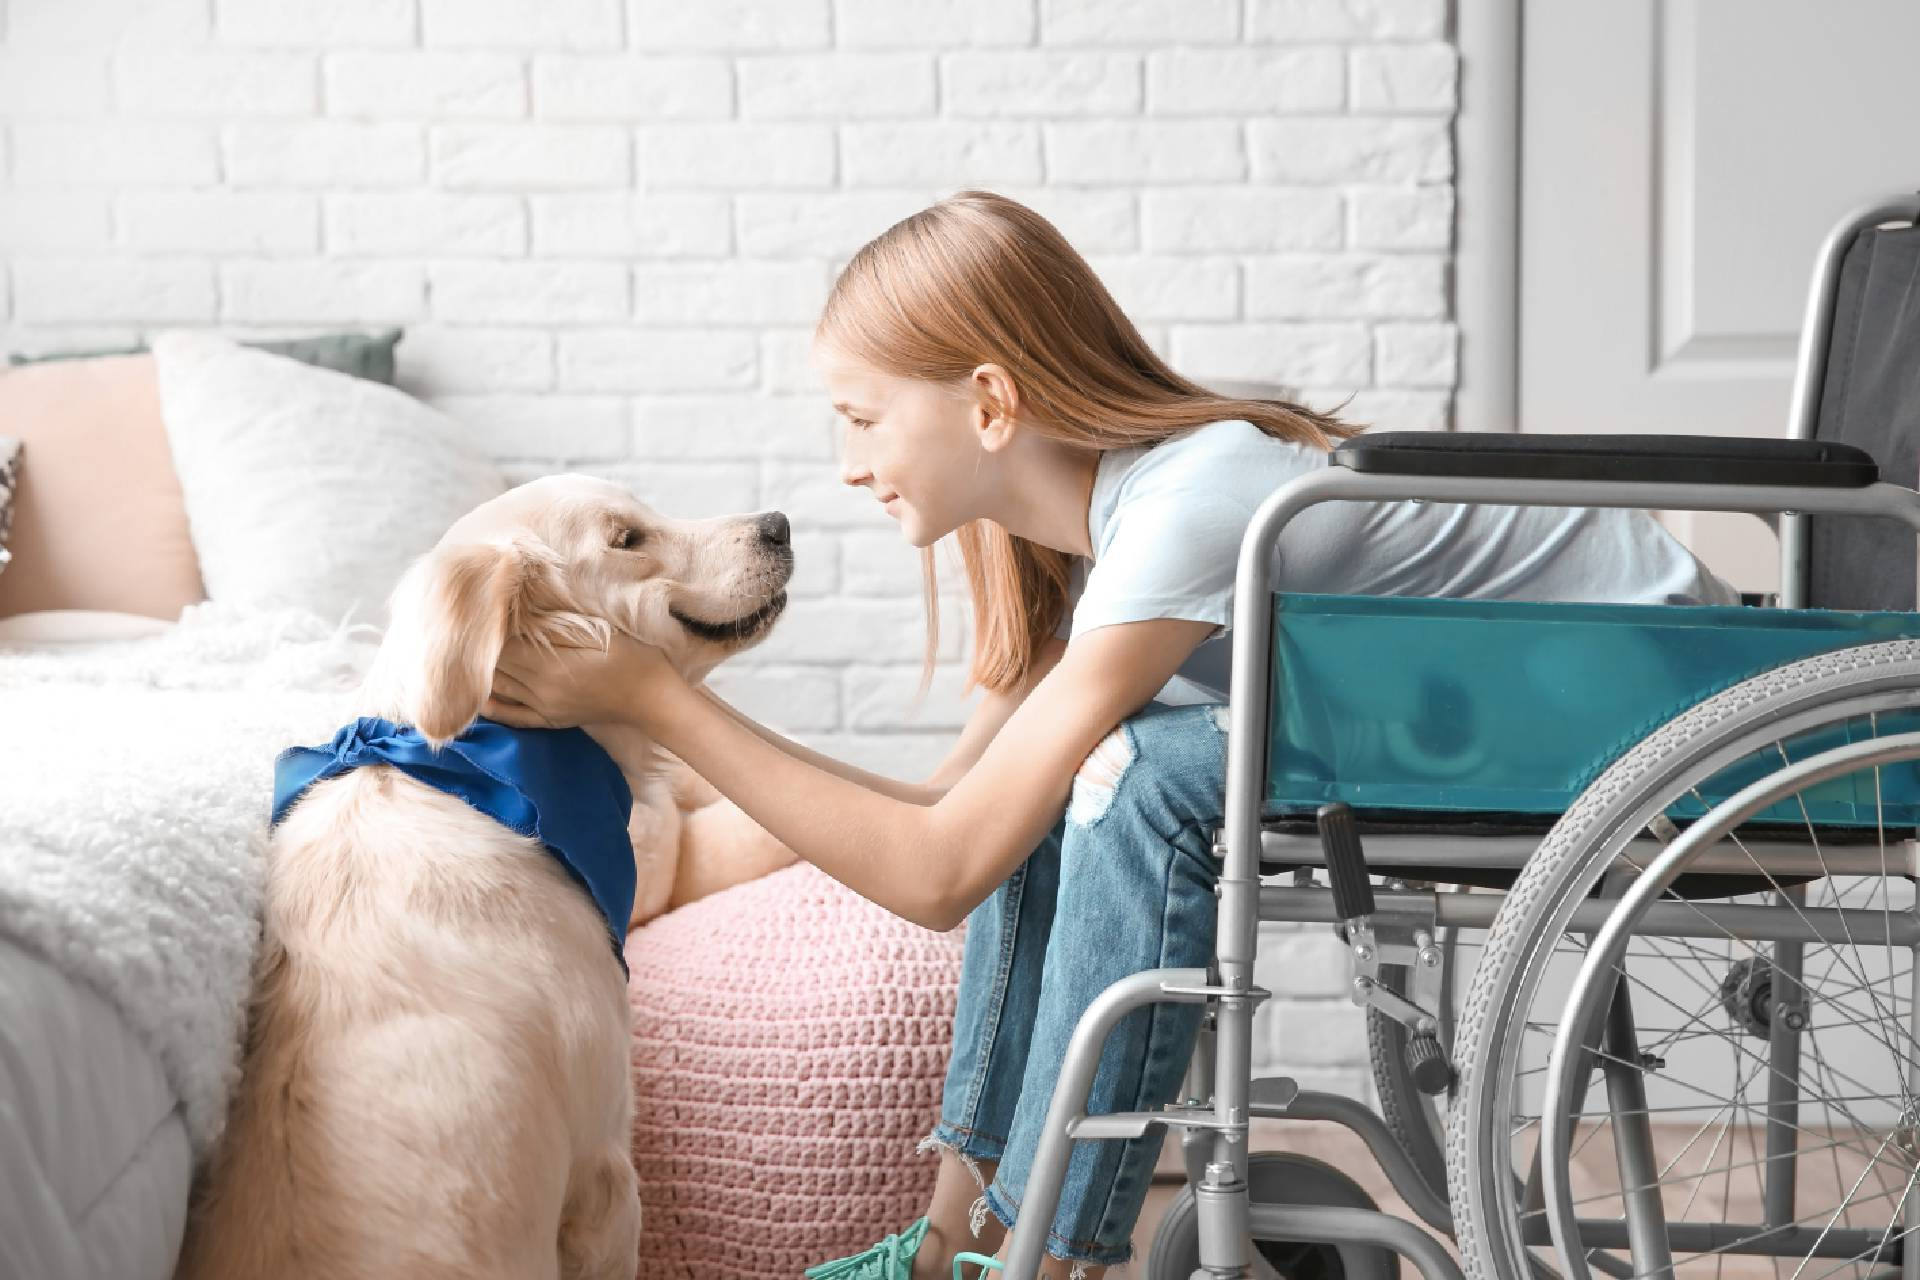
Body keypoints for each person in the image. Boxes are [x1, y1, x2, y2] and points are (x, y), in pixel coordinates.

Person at [486, 191, 1736, 1280]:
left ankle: (1052, 1251)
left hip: (1657, 700)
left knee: (1134, 772)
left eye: (862, 417)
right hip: (1486, 707)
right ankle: (954, 1241)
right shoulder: (1083, 527)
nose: (847, 463)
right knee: (1061, 792)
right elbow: (954, 814)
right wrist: (677, 732)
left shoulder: (1187, 509)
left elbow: (935, 875)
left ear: (987, 404)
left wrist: (660, 701)